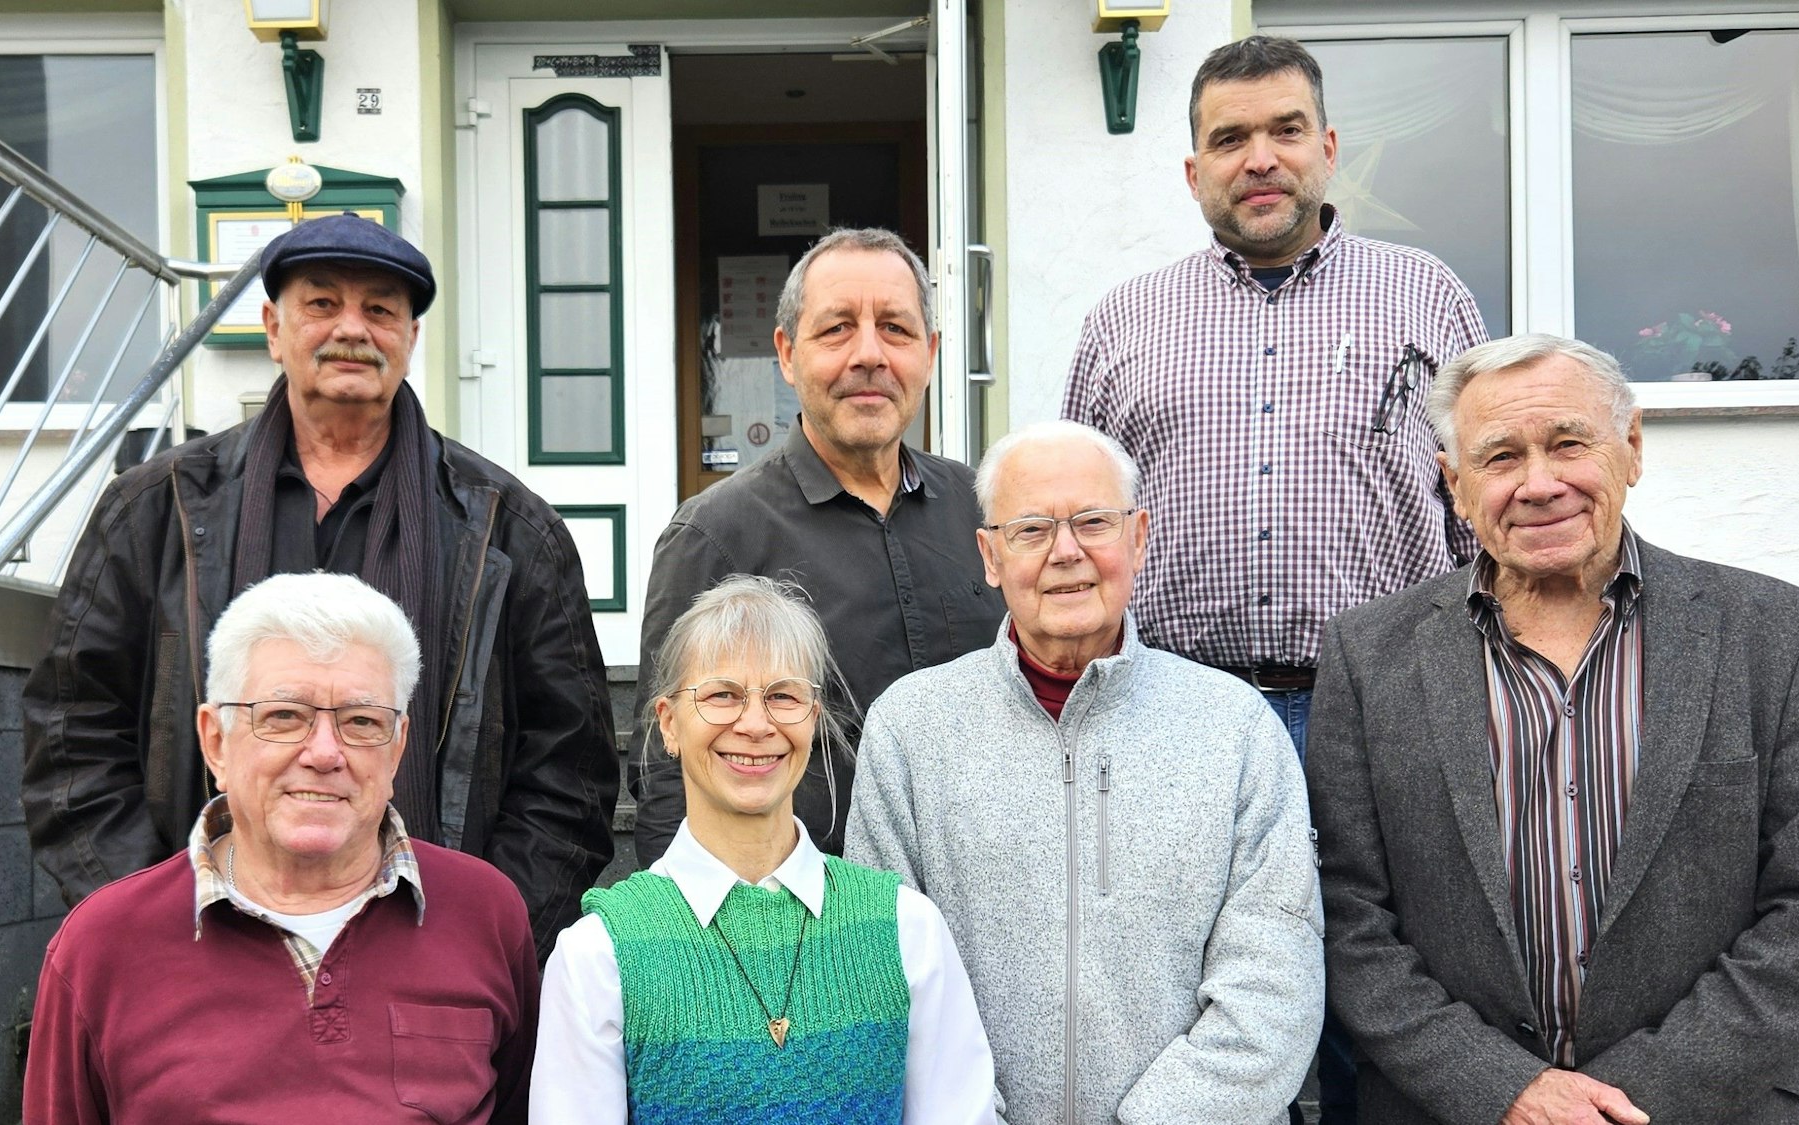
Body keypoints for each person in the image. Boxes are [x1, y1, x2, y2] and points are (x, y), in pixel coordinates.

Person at [1060, 37, 1488, 1119]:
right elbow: (1074, 529)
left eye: (1284, 131)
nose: (1260, 158)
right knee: (1183, 997)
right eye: (1229, 138)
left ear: (1327, 147)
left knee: (1374, 1000)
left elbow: (1478, 516)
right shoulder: (1122, 323)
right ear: (1192, 169)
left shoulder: (1423, 301)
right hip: (1174, 716)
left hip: (1379, 712)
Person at [1306, 333, 1799, 1124]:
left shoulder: (1780, 637)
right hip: (1447, 1109)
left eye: (1569, 443)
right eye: (1501, 457)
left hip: (1709, 1108)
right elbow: (1346, 916)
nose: (1539, 484)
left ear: (1631, 447)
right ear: (1455, 484)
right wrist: (1503, 1087)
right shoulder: (1367, 656)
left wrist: (1630, 1097)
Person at [21, 212, 618, 956]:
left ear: (410, 337)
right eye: (322, 303)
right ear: (274, 327)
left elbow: (572, 769)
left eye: (379, 309)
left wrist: (477, 939)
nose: (352, 329)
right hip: (202, 949)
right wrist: (157, 927)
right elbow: (73, 738)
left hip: (430, 960)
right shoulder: (158, 509)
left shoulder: (507, 529)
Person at [848, 421, 1321, 1124]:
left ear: (1137, 536)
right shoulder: (910, 730)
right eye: (1032, 529)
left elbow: (1275, 985)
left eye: (1093, 522)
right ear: (989, 554)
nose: (1066, 552)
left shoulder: (1236, 728)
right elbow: (883, 974)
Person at [25, 572, 539, 1124]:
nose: (324, 753)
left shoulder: (485, 913)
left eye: (361, 721)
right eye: (284, 717)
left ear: (396, 751)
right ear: (215, 742)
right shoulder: (102, 944)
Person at [533, 574, 999, 1123]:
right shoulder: (599, 954)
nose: (756, 725)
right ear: (668, 725)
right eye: (722, 695)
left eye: (782, 695)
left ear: (814, 716)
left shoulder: (905, 928)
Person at [632, 227, 1003, 864]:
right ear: (786, 352)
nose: (869, 355)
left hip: (986, 900)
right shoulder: (716, 536)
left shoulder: (988, 514)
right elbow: (668, 771)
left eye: (896, 329)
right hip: (801, 925)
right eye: (836, 329)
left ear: (931, 353)